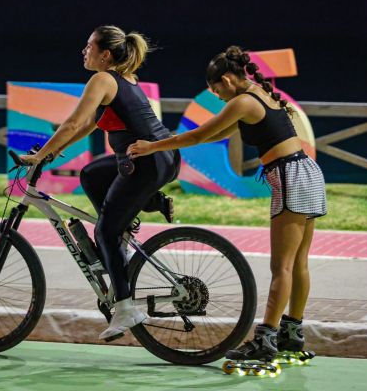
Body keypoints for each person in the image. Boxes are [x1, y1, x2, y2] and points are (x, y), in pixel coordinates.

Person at [127, 46, 327, 362]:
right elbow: (212, 136)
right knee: (299, 262)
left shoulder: (243, 101)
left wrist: (153, 146)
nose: (218, 96)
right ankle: (292, 334)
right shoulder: (260, 94)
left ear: (226, 80)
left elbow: (198, 135)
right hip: (307, 172)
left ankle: (266, 340)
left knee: (282, 266)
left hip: (289, 175)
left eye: (217, 90)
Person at [20, 25, 180, 341]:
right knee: (92, 175)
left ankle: (125, 307)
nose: (84, 50)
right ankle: (146, 206)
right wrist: (54, 152)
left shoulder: (102, 79)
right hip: (161, 159)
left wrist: (41, 157)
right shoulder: (123, 80)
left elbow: (73, 122)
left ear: (104, 54)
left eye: (89, 45)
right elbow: (90, 125)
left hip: (145, 162)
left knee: (105, 231)